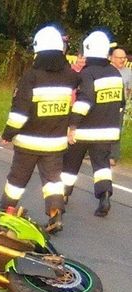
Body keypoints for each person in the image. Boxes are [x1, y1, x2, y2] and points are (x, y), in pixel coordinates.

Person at [0, 26, 80, 234]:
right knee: (53, 181)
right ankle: (55, 215)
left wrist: (8, 134)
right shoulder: (70, 77)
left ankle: (5, 213)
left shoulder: (31, 77)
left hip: (29, 141)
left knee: (17, 179)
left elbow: (20, 113)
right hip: (55, 143)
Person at [61, 31, 125, 218]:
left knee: (71, 163)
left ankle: (64, 194)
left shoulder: (88, 73)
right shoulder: (115, 73)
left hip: (86, 130)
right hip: (108, 131)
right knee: (102, 165)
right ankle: (104, 196)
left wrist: (72, 126)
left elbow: (84, 102)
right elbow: (121, 102)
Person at [109, 47, 132, 165]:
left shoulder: (128, 72)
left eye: (124, 57)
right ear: (112, 58)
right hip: (105, 104)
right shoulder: (106, 70)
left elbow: (129, 89)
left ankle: (113, 156)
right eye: (119, 58)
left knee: (116, 129)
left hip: (119, 106)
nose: (122, 60)